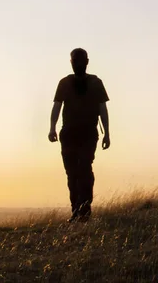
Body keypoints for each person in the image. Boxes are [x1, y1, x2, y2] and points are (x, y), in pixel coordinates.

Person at [48, 48, 110, 222]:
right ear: (72, 62)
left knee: (83, 169)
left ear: (86, 61)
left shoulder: (95, 82)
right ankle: (76, 211)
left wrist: (107, 133)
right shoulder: (65, 83)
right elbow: (57, 106)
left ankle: (84, 211)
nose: (77, 63)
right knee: (73, 173)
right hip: (69, 133)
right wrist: (52, 128)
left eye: (79, 60)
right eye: (75, 60)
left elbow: (102, 109)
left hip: (87, 133)